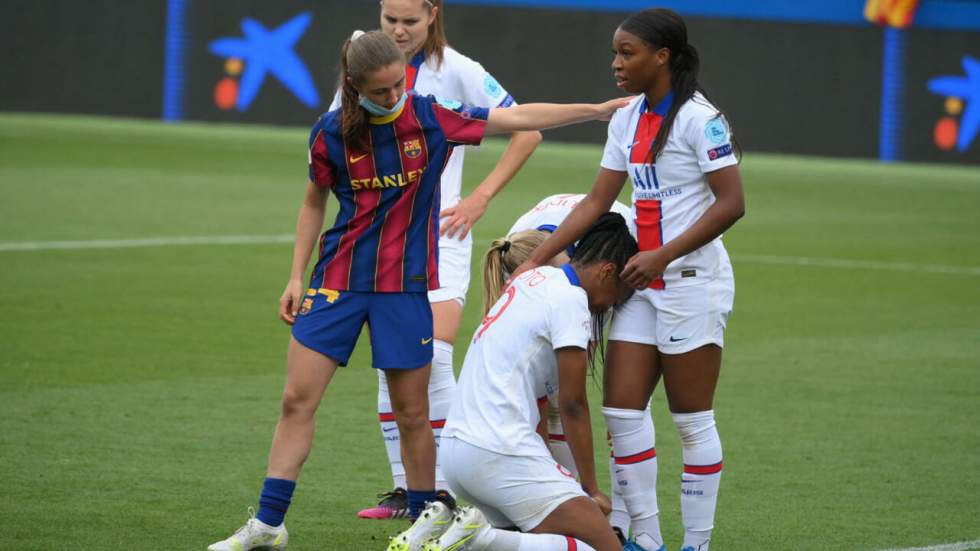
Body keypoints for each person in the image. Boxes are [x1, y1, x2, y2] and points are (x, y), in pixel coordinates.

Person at [206, 30, 629, 551]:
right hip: (336, 280)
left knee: (412, 411)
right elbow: (314, 201)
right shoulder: (329, 133)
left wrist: (596, 109)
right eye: (381, 91)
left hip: (405, 288)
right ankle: (268, 525)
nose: (394, 96)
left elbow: (515, 119)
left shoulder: (430, 114)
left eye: (398, 85)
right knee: (297, 400)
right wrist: (296, 274)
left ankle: (429, 511)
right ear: (354, 86)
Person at [512, 9, 745, 551]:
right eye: (615, 52)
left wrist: (662, 254)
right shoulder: (627, 119)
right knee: (620, 410)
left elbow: (733, 203)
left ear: (662, 57)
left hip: (692, 283)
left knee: (691, 421)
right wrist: (538, 257)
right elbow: (597, 201)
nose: (616, 64)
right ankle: (646, 538)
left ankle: (697, 545)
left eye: (627, 53)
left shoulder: (699, 119)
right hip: (644, 285)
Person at [326, 0, 543, 521]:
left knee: (434, 360)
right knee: (392, 366)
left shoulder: (460, 71)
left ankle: (447, 495)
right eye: (390, 20)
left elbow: (527, 128)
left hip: (442, 236)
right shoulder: (363, 59)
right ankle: (409, 493)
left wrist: (480, 197)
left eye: (410, 21)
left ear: (433, 15)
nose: (398, 31)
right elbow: (340, 134)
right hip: (382, 240)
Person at [394, 213, 637, 551]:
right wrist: (591, 488)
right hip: (499, 450)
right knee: (606, 546)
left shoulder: (531, 280)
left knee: (532, 543)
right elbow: (573, 403)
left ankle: (447, 526)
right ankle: (479, 537)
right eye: (618, 294)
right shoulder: (571, 300)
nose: (612, 305)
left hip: (456, 450)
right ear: (607, 271)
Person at [486, 192, 638, 543]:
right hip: (481, 453)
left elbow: (572, 396)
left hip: (627, 255)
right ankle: (571, 501)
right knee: (551, 393)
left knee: (618, 404)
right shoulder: (515, 258)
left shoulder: (591, 273)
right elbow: (541, 399)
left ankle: (625, 522)